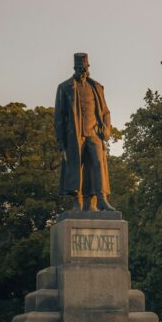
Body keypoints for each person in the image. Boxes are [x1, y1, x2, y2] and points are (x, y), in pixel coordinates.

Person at [54, 52, 116, 212]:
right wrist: (61, 142)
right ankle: (78, 202)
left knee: (98, 164)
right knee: (76, 167)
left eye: (85, 67)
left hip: (94, 133)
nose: (83, 70)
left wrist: (107, 128)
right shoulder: (65, 87)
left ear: (88, 67)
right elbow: (59, 116)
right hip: (75, 135)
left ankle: (101, 199)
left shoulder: (96, 87)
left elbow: (105, 112)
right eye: (80, 67)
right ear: (75, 67)